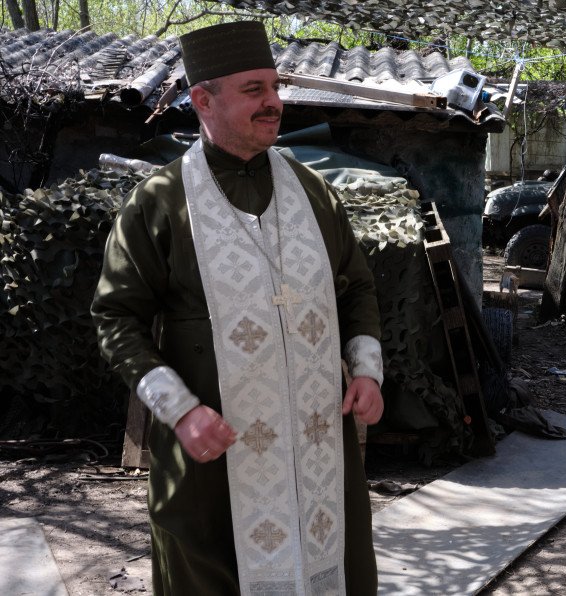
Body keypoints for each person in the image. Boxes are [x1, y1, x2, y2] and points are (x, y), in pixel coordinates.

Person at [92, 20, 384, 595]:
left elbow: (358, 289)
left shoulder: (315, 192)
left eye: (275, 88)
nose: (274, 103)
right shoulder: (160, 201)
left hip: (318, 449)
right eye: (254, 91)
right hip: (213, 458)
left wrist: (368, 372)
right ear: (203, 99)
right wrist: (179, 410)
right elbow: (115, 316)